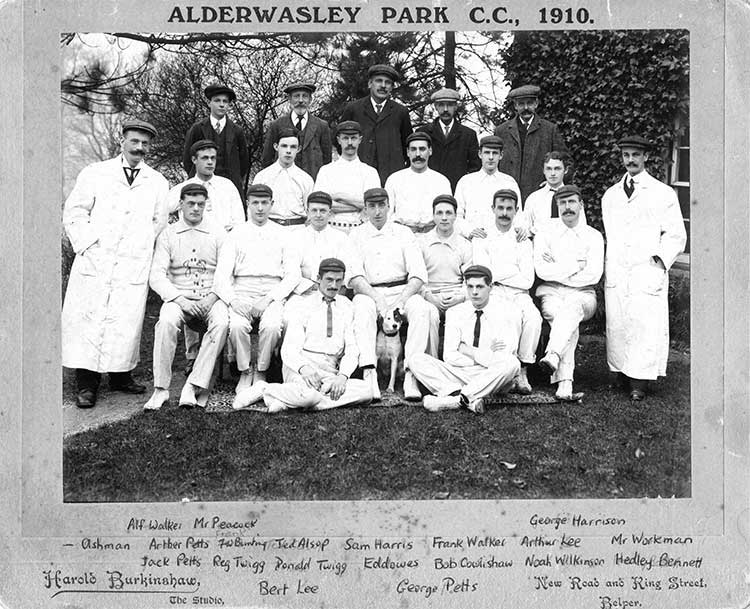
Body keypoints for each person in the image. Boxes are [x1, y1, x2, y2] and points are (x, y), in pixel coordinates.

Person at [62, 119, 169, 408]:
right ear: (121, 140)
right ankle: (86, 383)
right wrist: (88, 244)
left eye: (145, 143)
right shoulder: (96, 173)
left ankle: (121, 376)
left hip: (131, 262)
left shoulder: (157, 181)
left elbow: (159, 220)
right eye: (134, 141)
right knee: (90, 319)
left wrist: (141, 244)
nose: (140, 147)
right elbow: (74, 212)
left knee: (125, 320)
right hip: (96, 260)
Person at [601, 135, 686, 402]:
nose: (631, 160)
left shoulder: (662, 193)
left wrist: (659, 261)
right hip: (619, 270)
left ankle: (640, 381)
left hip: (646, 269)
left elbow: (676, 234)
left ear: (645, 157)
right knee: (619, 322)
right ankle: (621, 374)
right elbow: (612, 234)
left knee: (643, 324)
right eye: (626, 155)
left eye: (636, 155)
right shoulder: (611, 195)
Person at [233, 258, 373, 412]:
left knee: (367, 391)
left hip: (330, 371)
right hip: (301, 366)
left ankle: (287, 400)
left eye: (338, 281)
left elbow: (352, 348)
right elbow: (289, 349)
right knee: (309, 395)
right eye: (329, 280)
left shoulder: (346, 306)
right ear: (318, 279)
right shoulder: (303, 305)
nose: (333, 286)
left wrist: (343, 377)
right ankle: (265, 389)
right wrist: (304, 368)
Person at [144, 183, 229, 410]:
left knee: (221, 323)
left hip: (211, 297)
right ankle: (160, 389)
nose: (195, 209)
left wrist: (210, 298)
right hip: (178, 297)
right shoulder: (168, 234)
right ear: (180, 204)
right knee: (165, 323)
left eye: (200, 204)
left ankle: (193, 384)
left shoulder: (218, 232)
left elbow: (225, 272)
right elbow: (156, 276)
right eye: (190, 203)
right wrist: (180, 300)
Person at [213, 184, 301, 394]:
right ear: (248, 204)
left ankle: (261, 370)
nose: (260, 208)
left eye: (264, 203)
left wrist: (269, 298)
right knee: (236, 326)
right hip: (241, 290)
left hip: (271, 292)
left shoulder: (283, 234)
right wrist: (234, 300)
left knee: (271, 326)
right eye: (255, 203)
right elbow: (221, 276)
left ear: (272, 204)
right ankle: (245, 370)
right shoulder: (235, 233)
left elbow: (293, 274)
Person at [349, 188, 434, 400]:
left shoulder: (403, 233)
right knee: (361, 308)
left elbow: (418, 275)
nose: (377, 211)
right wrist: (377, 299)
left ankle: (411, 374)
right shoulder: (356, 235)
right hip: (370, 291)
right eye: (372, 206)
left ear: (389, 206)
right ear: (365, 209)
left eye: (381, 205)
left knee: (422, 309)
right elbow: (355, 277)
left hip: (401, 290)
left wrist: (401, 301)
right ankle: (369, 373)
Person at [408, 265, 521, 414]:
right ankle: (468, 399)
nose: (474, 292)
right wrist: (484, 355)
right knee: (416, 359)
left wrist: (468, 351)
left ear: (490, 287)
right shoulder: (455, 312)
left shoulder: (505, 312)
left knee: (511, 363)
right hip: (459, 373)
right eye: (470, 287)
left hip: (489, 374)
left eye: (480, 286)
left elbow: (502, 356)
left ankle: (453, 399)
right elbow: (449, 356)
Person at [534, 185, 603, 401]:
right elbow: (542, 270)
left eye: (572, 202)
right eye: (562, 203)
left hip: (584, 294)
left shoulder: (593, 236)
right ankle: (565, 382)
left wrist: (558, 266)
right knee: (565, 319)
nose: (567, 207)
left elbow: (593, 275)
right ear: (557, 206)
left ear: (581, 205)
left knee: (571, 308)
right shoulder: (546, 232)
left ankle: (553, 354)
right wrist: (576, 265)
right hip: (551, 292)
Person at [472, 189, 541, 394]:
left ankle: (523, 370)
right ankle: (504, 371)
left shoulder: (523, 240)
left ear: (516, 211)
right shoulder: (482, 237)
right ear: (493, 209)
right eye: (500, 208)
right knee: (509, 318)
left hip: (520, 293)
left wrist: (498, 272)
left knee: (533, 319)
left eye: (509, 209)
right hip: (493, 293)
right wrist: (511, 271)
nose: (504, 213)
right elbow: (484, 274)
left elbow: (527, 280)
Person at [283, 191, 357, 322]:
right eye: (314, 210)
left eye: (323, 211)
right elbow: (292, 271)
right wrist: (311, 287)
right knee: (290, 317)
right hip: (303, 293)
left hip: (334, 292)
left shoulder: (342, 239)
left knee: (347, 317)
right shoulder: (295, 238)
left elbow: (346, 272)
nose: (318, 215)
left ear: (330, 213)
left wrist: (330, 291)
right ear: (307, 211)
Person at [340, 64, 413, 185]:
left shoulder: (401, 112)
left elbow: (408, 144)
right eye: (379, 81)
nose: (383, 86)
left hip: (391, 176)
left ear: (392, 87)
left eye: (388, 82)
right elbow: (340, 140)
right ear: (370, 84)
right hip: (358, 174)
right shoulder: (353, 108)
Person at [494, 84, 567, 203]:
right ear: (515, 106)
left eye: (529, 103)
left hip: (539, 195)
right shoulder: (501, 131)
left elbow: (565, 161)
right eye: (521, 104)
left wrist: (553, 183)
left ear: (536, 104)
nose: (526, 107)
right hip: (508, 195)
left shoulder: (549, 129)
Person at [418, 195, 473, 353]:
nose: (444, 218)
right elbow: (416, 276)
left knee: (461, 314)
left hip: (456, 296)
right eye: (439, 213)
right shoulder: (422, 242)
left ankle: (456, 363)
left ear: (455, 216)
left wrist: (460, 296)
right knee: (429, 315)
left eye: (449, 213)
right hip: (429, 295)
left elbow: (470, 278)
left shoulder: (465, 245)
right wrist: (428, 296)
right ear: (433, 215)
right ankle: (431, 363)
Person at [182, 83, 250, 200]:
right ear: (210, 103)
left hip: (229, 186)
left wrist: (236, 176)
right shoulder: (198, 128)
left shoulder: (237, 131)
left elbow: (244, 161)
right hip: (203, 186)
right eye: (217, 101)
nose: (222, 105)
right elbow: (188, 159)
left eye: (225, 101)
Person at [313, 120, 380, 232]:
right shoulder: (326, 171)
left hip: (360, 229)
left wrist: (339, 196)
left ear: (360, 140)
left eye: (353, 138)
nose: (350, 143)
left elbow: (372, 205)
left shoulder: (370, 172)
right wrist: (359, 204)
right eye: (345, 138)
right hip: (332, 229)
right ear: (339, 140)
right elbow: (321, 204)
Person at [169, 139, 245, 233]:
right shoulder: (183, 188)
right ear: (194, 160)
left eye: (213, 158)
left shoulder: (227, 186)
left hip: (225, 240)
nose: (210, 162)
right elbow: (162, 213)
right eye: (205, 158)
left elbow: (239, 221)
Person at [260, 81, 332, 180]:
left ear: (310, 99)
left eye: (305, 96)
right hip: (283, 182)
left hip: (312, 183)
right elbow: (267, 159)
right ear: (289, 99)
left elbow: (327, 160)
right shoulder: (277, 125)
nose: (301, 100)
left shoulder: (321, 126)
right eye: (296, 96)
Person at [454, 135, 522, 239]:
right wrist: (469, 231)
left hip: (502, 241)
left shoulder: (509, 182)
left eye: (495, 153)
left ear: (501, 155)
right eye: (487, 152)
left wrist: (519, 230)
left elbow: (518, 215)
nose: (491, 157)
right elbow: (456, 216)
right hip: (472, 241)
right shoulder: (466, 182)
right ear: (480, 154)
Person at [384, 132, 452, 233]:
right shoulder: (394, 179)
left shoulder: (441, 181)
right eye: (413, 149)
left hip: (433, 235)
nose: (418, 154)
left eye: (422, 149)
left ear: (430, 151)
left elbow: (448, 214)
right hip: (402, 236)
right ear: (407, 152)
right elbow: (387, 214)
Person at [416, 87, 481, 191]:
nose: (445, 109)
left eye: (450, 105)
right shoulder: (423, 133)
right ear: (436, 107)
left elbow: (475, 168)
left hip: (457, 190)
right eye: (441, 105)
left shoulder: (468, 135)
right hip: (429, 189)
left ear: (456, 106)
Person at [253, 128, 314, 227]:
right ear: (276, 147)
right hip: (270, 230)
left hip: (297, 230)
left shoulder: (305, 179)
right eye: (284, 146)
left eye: (293, 147)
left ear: (298, 149)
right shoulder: (262, 177)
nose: (288, 151)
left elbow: (311, 211)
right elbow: (253, 209)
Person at [523, 150, 586, 237]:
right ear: (543, 170)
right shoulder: (533, 199)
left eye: (557, 169)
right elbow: (526, 230)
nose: (552, 173)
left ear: (565, 170)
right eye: (549, 169)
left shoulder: (573, 198)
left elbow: (582, 228)